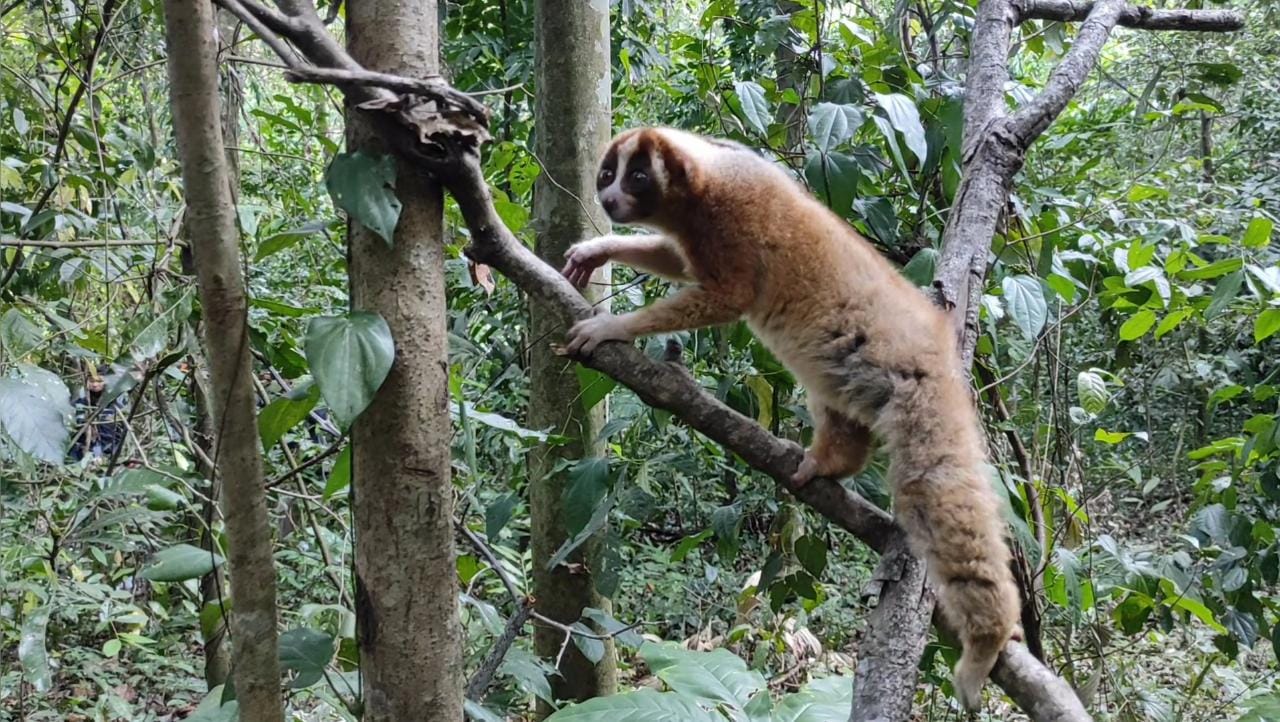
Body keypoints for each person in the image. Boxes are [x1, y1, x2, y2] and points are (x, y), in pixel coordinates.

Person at [68, 366, 126, 461]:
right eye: (91, 381)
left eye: (99, 381)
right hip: (83, 441)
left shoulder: (117, 396)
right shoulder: (81, 395)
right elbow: (76, 418)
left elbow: (118, 420)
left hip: (109, 439)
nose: (95, 385)